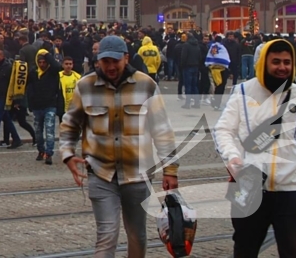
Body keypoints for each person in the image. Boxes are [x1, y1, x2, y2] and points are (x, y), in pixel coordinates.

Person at [60, 35, 179, 258]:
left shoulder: (146, 85)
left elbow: (162, 129)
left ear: (126, 58)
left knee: (137, 235)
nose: (111, 67)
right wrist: (67, 154)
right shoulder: (85, 86)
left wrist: (170, 170)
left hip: (137, 175)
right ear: (98, 61)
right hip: (100, 173)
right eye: (105, 61)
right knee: (106, 235)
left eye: (115, 61)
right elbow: (70, 124)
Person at [213, 38, 296, 257]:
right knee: (245, 250)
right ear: (264, 63)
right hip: (248, 187)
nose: (282, 67)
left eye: (287, 62)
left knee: (292, 251)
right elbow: (223, 130)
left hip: (288, 190)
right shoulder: (243, 91)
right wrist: (233, 158)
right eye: (276, 62)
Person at [28, 48, 62, 164]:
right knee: (38, 132)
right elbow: (29, 89)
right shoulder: (33, 72)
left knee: (49, 130)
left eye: (44, 62)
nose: (42, 64)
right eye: (40, 62)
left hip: (50, 105)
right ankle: (41, 150)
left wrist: (47, 54)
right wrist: (30, 103)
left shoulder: (52, 72)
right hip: (37, 106)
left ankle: (49, 153)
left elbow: (57, 66)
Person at [179, 32, 204, 109]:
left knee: (188, 85)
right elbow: (200, 57)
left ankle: (187, 103)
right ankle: (197, 103)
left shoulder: (186, 45)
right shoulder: (197, 45)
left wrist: (182, 65)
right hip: (196, 66)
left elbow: (183, 57)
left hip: (188, 66)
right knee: (195, 85)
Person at [206, 35, 231, 110]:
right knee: (221, 86)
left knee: (217, 85)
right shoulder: (223, 48)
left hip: (214, 69)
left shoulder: (212, 47)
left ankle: (215, 100)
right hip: (223, 69)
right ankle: (217, 103)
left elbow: (211, 56)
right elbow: (226, 57)